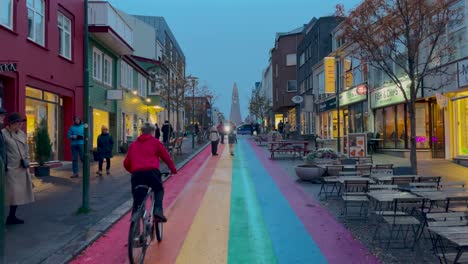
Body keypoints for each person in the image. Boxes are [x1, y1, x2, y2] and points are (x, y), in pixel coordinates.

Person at [123, 123, 177, 222]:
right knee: (158, 189)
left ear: (141, 131)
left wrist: (134, 170)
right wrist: (173, 169)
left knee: (137, 196)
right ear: (152, 132)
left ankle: (136, 214)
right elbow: (166, 158)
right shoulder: (155, 142)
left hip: (137, 175)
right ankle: (157, 211)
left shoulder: (133, 145)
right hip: (152, 173)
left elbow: (126, 163)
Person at [2, 112, 34, 225]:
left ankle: (11, 217)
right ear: (10, 124)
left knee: (17, 195)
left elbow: (26, 149)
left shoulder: (21, 133)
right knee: (9, 194)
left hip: (21, 167)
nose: (20, 125)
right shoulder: (3, 134)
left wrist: (27, 162)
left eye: (20, 123)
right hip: (9, 168)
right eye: (17, 123)